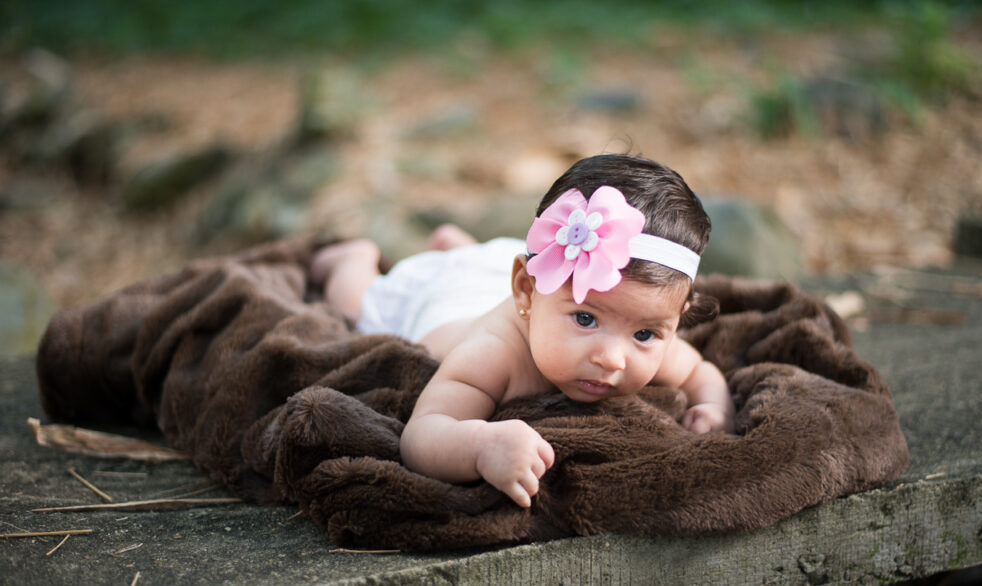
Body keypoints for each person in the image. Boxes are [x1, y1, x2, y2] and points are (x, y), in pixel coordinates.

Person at [310, 154, 734, 508]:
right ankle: (355, 258)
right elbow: (423, 435)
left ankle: (462, 247)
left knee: (481, 261)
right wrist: (479, 446)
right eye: (586, 319)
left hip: (501, 271)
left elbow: (701, 374)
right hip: (438, 298)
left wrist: (714, 409)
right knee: (356, 305)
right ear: (525, 291)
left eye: (645, 334)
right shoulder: (492, 353)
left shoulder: (617, 318)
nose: (613, 358)